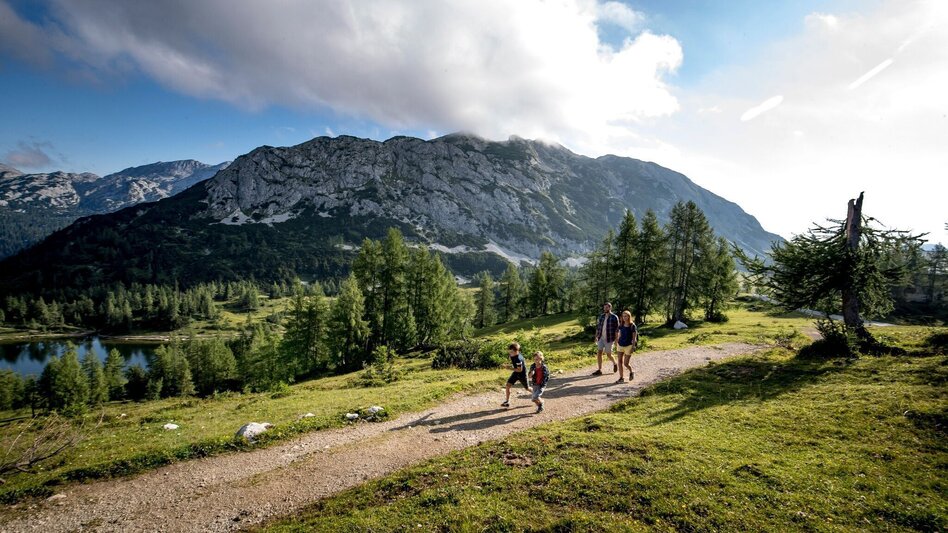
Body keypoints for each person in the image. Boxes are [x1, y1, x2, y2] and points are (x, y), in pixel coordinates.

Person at [593, 302, 619, 375]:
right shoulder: (601, 316)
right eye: (604, 307)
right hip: (601, 337)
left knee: (608, 354)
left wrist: (616, 339)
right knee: (599, 352)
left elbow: (617, 329)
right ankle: (599, 370)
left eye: (607, 307)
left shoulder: (614, 317)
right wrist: (596, 337)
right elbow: (598, 327)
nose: (605, 309)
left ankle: (614, 363)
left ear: (610, 308)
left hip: (609, 338)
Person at [501, 342, 529, 407]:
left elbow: (520, 370)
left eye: (511, 352)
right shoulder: (512, 355)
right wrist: (509, 365)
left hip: (522, 374)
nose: (510, 354)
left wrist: (509, 368)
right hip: (516, 373)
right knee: (508, 386)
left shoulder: (519, 359)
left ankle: (536, 395)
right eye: (509, 352)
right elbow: (514, 364)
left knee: (527, 388)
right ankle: (507, 401)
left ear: (517, 351)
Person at [615, 310, 637, 383]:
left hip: (628, 346)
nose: (624, 318)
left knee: (626, 363)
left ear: (629, 316)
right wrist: (616, 340)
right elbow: (617, 333)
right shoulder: (620, 325)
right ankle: (621, 378)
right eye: (623, 316)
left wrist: (633, 346)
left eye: (626, 316)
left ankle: (631, 371)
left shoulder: (632, 326)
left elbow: (634, 338)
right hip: (620, 345)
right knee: (619, 361)